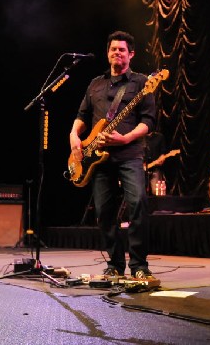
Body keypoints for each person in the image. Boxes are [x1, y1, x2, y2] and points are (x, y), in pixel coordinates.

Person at [69, 30, 157, 280]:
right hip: (97, 158)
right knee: (104, 212)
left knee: (138, 203)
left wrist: (126, 137)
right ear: (108, 53)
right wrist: (74, 136)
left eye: (121, 49)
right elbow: (82, 117)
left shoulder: (141, 83)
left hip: (129, 153)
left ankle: (139, 265)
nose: (116, 53)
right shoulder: (95, 83)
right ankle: (115, 264)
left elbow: (149, 121)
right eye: (112, 49)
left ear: (131, 54)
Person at [144, 131, 169, 195]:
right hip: (140, 170)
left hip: (155, 169)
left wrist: (161, 159)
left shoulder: (159, 137)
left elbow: (163, 153)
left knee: (157, 192)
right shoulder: (139, 137)